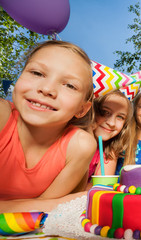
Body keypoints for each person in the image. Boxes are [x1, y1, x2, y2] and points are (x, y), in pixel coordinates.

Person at [0, 40, 96, 213]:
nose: (47, 89)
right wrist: (49, 205)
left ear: (82, 108)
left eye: (69, 85)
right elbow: (48, 206)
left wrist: (47, 205)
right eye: (37, 73)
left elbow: (40, 214)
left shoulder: (80, 146)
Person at [87, 90, 132, 185]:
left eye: (120, 117)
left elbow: (101, 188)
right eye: (105, 112)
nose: (111, 123)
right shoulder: (74, 139)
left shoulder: (110, 150)